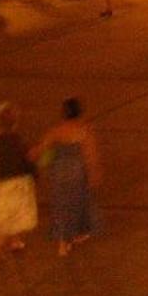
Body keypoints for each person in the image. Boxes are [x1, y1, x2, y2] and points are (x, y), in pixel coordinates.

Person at [38, 97, 100, 256]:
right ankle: (73, 235)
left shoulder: (55, 131)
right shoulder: (84, 130)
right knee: (76, 205)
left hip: (59, 173)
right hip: (77, 173)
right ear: (79, 113)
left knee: (61, 206)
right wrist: (94, 174)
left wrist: (45, 169)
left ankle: (63, 242)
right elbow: (90, 155)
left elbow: (45, 153)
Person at [0, 103, 38, 257]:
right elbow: (27, 159)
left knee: (3, 214)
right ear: (15, 122)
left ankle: (0, 244)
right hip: (18, 182)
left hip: (1, 182)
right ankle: (15, 241)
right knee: (16, 213)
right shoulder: (19, 140)